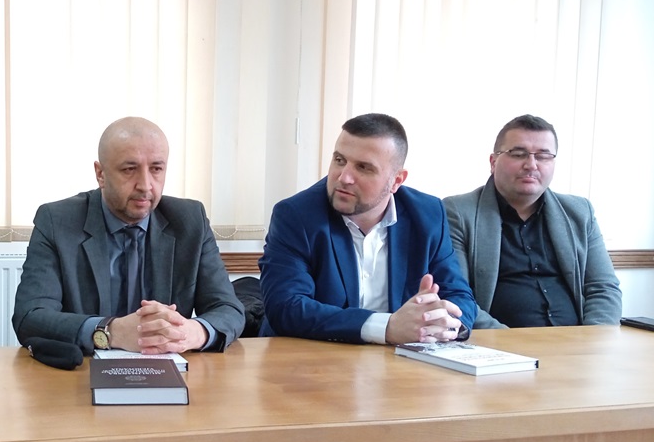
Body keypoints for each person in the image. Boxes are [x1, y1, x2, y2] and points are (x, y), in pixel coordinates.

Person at [12, 116, 245, 354]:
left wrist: (192, 332)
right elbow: (29, 317)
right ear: (100, 174)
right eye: (129, 169)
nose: (145, 185)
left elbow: (229, 309)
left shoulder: (190, 220)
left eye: (156, 169)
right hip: (83, 370)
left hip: (168, 368)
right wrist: (110, 331)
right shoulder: (57, 221)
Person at [258, 113, 476, 344]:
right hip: (315, 355)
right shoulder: (296, 215)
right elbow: (286, 307)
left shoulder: (428, 214)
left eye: (363, 167)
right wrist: (386, 328)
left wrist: (438, 323)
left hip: (401, 359)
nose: (344, 177)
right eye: (339, 160)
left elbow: (459, 296)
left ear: (397, 181)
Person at [442, 114, 621, 328]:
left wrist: (592, 337)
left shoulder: (579, 212)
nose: (531, 165)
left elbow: (603, 288)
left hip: (576, 341)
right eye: (518, 154)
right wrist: (507, 341)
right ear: (493, 162)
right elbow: (457, 297)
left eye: (543, 156)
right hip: (498, 342)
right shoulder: (458, 212)